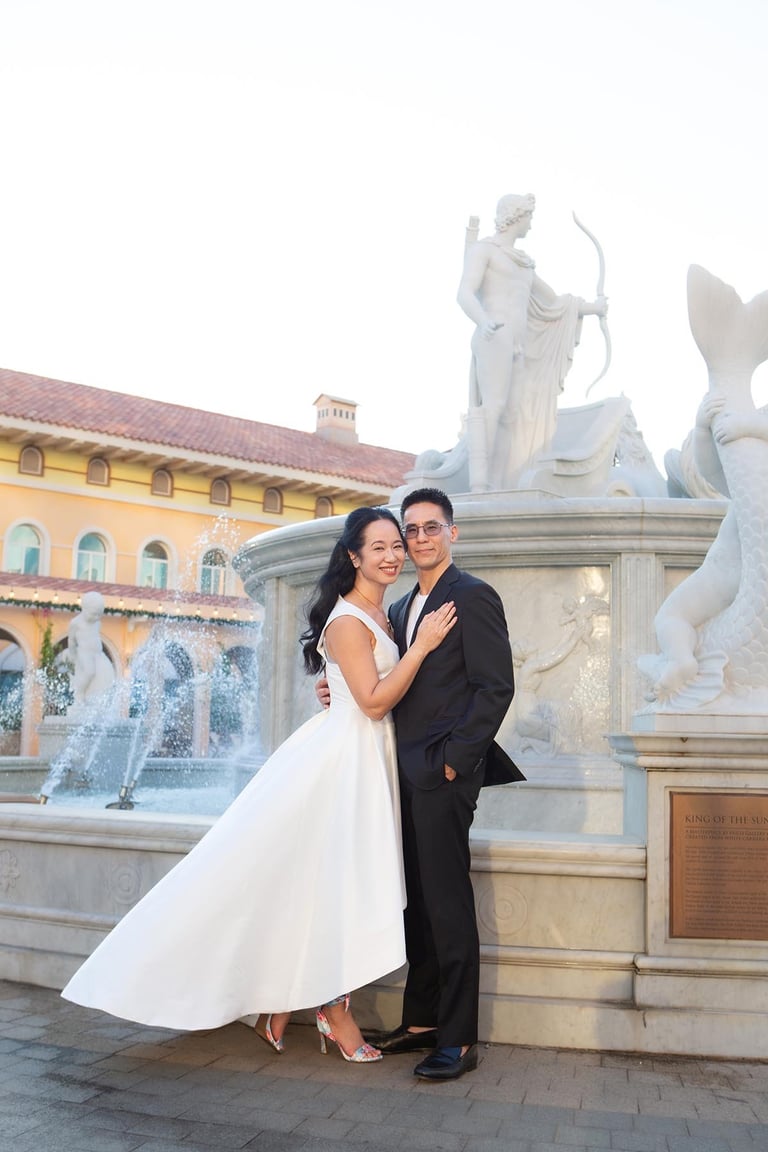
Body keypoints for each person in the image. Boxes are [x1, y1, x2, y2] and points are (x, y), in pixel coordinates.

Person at [61, 507, 456, 1065]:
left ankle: (280, 1005)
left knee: (326, 880)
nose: (393, 555)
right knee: (339, 880)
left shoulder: (382, 613)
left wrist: (343, 680)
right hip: (344, 759)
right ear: (353, 556)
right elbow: (371, 701)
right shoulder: (348, 620)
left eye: (398, 545)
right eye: (380, 547)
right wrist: (420, 649)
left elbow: (360, 683)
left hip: (365, 755)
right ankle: (333, 1010)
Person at [318, 488, 522, 1081]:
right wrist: (335, 689)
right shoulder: (403, 605)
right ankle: (422, 1021)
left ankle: (458, 1039)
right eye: (412, 530)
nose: (421, 538)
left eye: (432, 528)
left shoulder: (473, 596)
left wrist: (456, 763)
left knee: (448, 903)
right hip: (396, 772)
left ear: (451, 533)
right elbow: (383, 678)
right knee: (418, 903)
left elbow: (495, 688)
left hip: (441, 775)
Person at [457, 193, 608, 492]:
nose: (531, 224)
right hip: (495, 333)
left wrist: (594, 308)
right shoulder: (485, 251)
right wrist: (483, 321)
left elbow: (553, 300)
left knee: (512, 415)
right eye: (529, 217)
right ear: (517, 216)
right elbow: (464, 293)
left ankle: (499, 483)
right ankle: (479, 484)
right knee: (494, 406)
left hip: (518, 342)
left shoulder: (524, 264)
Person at [67, 590, 115, 707]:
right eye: (94, 614)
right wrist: (73, 655)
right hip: (85, 653)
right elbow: (71, 640)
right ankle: (80, 693)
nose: (96, 617)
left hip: (98, 654)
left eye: (99, 614)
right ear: (84, 608)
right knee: (90, 672)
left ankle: (96, 698)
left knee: (107, 674)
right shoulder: (76, 623)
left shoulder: (97, 623)